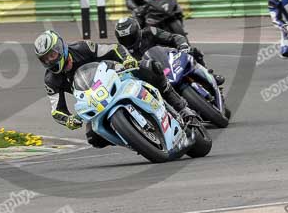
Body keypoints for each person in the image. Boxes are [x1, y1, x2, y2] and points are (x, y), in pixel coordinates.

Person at [34, 30, 198, 148]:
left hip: (115, 76)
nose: (50, 60)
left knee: (150, 68)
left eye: (52, 55)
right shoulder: (51, 80)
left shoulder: (82, 48)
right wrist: (68, 119)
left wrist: (127, 60)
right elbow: (57, 110)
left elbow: (113, 48)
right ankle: (134, 140)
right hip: (94, 101)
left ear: (60, 47)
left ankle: (182, 107)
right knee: (94, 138)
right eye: (45, 58)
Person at [114, 17, 225, 86]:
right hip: (153, 76)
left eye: (130, 37)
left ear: (137, 32)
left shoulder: (150, 32)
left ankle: (211, 76)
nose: (128, 41)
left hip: (169, 59)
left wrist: (183, 45)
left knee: (194, 51)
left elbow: (173, 37)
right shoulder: (121, 51)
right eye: (124, 39)